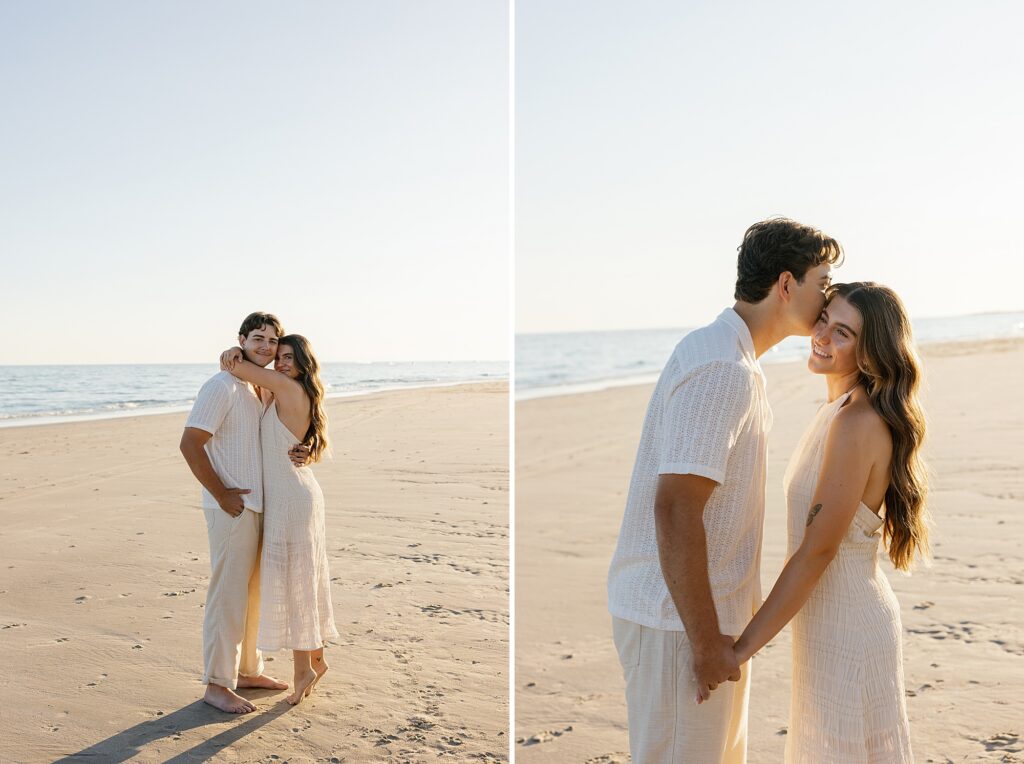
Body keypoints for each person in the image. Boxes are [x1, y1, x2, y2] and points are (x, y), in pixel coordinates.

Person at [606, 217, 843, 762]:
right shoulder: (723, 369)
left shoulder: (730, 356)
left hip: (697, 618)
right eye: (821, 282)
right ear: (786, 285)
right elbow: (675, 509)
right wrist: (707, 640)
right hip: (677, 623)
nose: (826, 297)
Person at [732, 282, 928, 762]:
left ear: (869, 353)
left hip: (849, 625)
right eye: (825, 320)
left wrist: (740, 650)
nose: (822, 334)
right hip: (829, 620)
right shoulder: (836, 412)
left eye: (843, 332)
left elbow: (816, 550)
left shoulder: (855, 423)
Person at [220, 333, 339, 705]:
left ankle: (305, 668)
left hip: (291, 501)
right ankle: (314, 661)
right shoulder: (283, 391)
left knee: (296, 582)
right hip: (293, 496)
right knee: (299, 580)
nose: (282, 363)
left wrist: (231, 351)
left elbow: (238, 367)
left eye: (289, 356)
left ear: (304, 361)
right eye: (280, 357)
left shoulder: (287, 387)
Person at [179, 312, 289, 714]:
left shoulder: (261, 388)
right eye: (257, 337)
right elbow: (190, 443)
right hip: (232, 508)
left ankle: (246, 671)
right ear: (241, 340)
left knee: (252, 595)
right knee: (227, 597)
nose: (265, 346)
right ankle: (217, 683)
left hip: (262, 506)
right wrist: (222, 494)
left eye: (272, 340)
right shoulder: (221, 385)